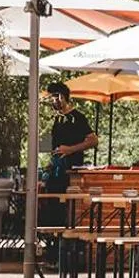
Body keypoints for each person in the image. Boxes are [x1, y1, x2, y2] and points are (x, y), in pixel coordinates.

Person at [40, 83, 98, 227]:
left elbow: (93, 140)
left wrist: (70, 149)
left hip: (71, 170)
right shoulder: (56, 119)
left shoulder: (77, 118)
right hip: (56, 169)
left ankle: (67, 240)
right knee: (52, 206)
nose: (53, 102)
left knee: (67, 207)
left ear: (62, 97)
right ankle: (53, 240)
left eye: (55, 98)